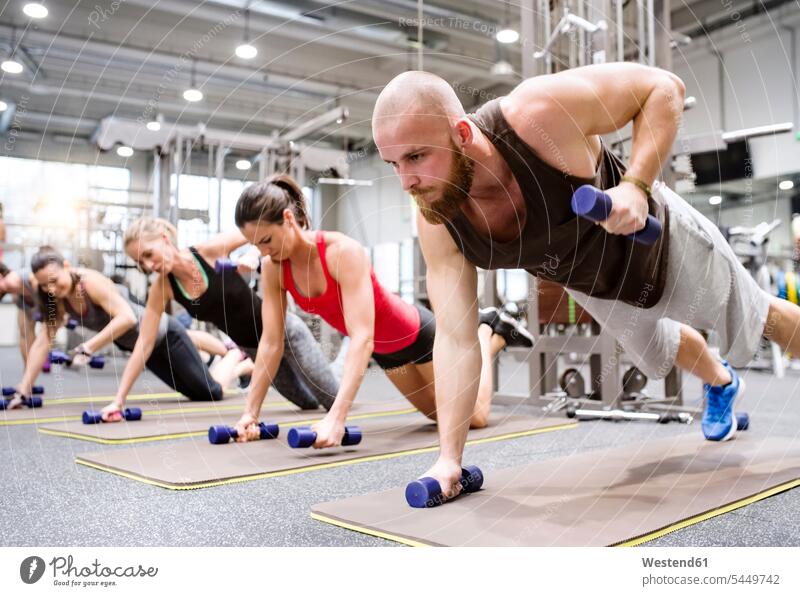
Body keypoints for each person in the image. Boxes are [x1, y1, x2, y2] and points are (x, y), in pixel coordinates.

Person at [370, 63, 800, 497]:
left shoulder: (535, 115)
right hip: (599, 286)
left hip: (663, 244)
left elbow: (664, 89)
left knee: (764, 321)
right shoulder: (438, 218)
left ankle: (730, 365)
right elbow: (457, 339)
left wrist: (635, 185)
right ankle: (722, 382)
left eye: (416, 157)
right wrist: (449, 459)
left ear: (462, 133)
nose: (406, 181)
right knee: (658, 352)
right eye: (393, 163)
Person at [232, 174, 531, 446]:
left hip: (419, 336)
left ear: (287, 218)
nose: (263, 252)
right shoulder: (274, 269)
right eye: (255, 245)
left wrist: (337, 417)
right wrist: (250, 414)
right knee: (440, 418)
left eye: (267, 240)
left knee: (474, 418)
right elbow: (271, 342)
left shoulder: (340, 252)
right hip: (388, 355)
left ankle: (486, 331)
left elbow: (362, 336)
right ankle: (486, 332)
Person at [114, 218, 341, 420]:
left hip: (285, 331)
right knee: (308, 403)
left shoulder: (208, 252)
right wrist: (119, 400)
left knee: (333, 400)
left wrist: (253, 254)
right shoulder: (162, 288)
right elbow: (144, 343)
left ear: (164, 239)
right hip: (256, 350)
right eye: (140, 262)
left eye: (148, 254)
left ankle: (348, 357)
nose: (148, 265)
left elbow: (260, 231)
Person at [6, 246, 243, 412]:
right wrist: (24, 388)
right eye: (46, 286)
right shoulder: (56, 300)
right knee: (197, 395)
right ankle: (231, 360)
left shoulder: (90, 283)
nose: (52, 290)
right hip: (141, 349)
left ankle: (235, 356)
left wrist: (89, 347)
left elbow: (127, 318)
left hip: (164, 335)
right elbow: (42, 342)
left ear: (67, 266)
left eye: (55, 281)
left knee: (212, 392)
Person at [0, 263, 39, 364]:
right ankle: (28, 367)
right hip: (25, 302)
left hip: (43, 299)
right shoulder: (14, 293)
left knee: (47, 333)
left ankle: (40, 358)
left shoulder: (20, 277)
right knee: (24, 331)